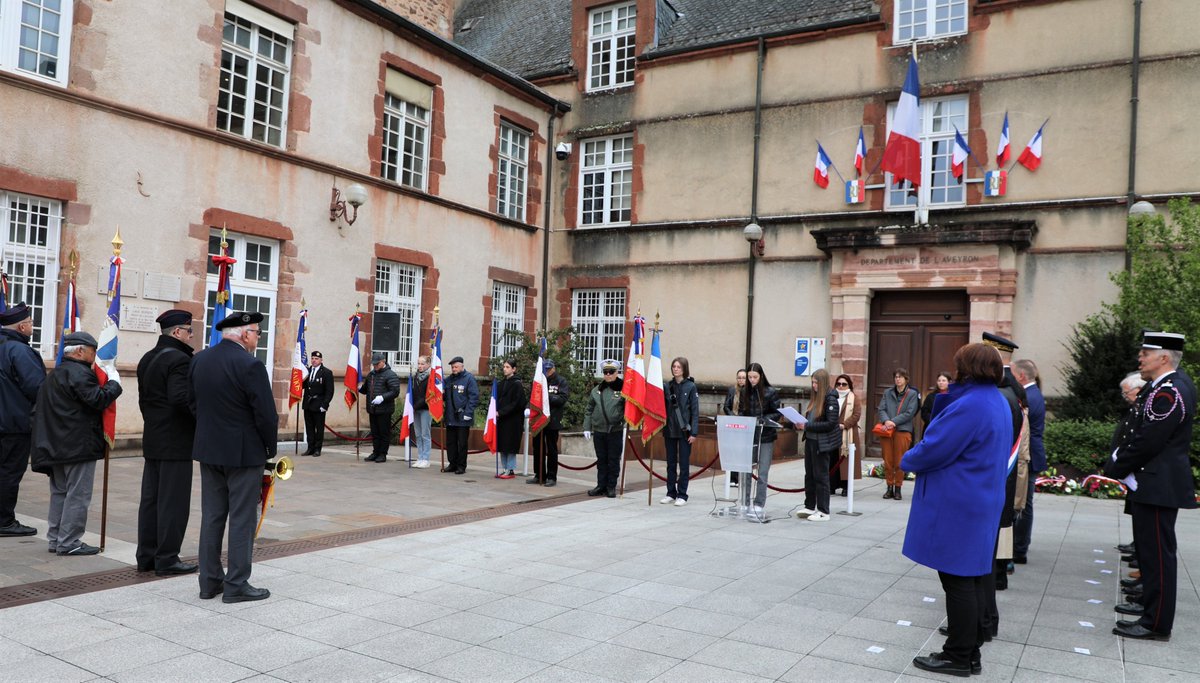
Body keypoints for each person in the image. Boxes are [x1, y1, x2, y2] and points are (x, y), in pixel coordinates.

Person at [903, 343, 1012, 677]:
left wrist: (907, 459)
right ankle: (971, 652)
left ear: (969, 368)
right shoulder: (996, 400)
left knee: (958, 579)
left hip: (959, 502)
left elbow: (936, 447)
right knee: (973, 577)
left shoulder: (972, 404)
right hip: (979, 499)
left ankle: (959, 655)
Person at [1105, 331, 1196, 641]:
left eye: (1146, 352)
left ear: (1164, 357)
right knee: (1150, 553)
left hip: (1159, 484)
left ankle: (1156, 623)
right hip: (1153, 482)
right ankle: (1149, 607)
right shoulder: (1163, 387)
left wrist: (1117, 466)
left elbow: (1149, 439)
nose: (1140, 357)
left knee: (1158, 556)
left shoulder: (1170, 391)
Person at [190, 311, 277, 603]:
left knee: (212, 517)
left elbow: (193, 404)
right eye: (256, 333)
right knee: (242, 519)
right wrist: (270, 448)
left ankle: (209, 581)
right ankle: (237, 583)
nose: (257, 338)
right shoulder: (250, 365)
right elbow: (265, 414)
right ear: (244, 334)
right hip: (242, 453)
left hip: (209, 450)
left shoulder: (200, 359)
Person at [30, 331, 122, 556]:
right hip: (77, 445)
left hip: (56, 445)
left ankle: (56, 538)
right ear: (80, 351)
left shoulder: (56, 373)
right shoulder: (80, 374)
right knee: (77, 495)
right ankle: (69, 541)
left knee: (60, 493)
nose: (95, 355)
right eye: (92, 350)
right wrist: (114, 385)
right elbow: (97, 399)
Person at [135, 309, 198, 575]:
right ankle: (168, 558)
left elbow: (145, 400)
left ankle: (147, 556)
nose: (191, 335)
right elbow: (181, 399)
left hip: (154, 438)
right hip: (176, 441)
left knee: (151, 501)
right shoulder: (179, 360)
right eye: (189, 330)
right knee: (173, 502)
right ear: (177, 333)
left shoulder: (148, 358)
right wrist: (202, 417)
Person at [0, 303, 46, 537]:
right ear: (21, 326)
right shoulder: (19, 351)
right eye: (29, 323)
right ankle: (5, 521)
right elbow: (36, 387)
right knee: (9, 472)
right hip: (13, 424)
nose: (32, 327)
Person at [1011, 359, 1045, 565]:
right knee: (1024, 502)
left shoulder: (1029, 396)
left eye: (1012, 374)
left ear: (1021, 376)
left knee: (1023, 504)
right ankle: (1020, 546)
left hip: (1028, 455)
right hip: (1030, 453)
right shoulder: (1032, 393)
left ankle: (1019, 548)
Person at [795, 368, 840, 522]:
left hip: (822, 443)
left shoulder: (831, 399)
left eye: (816, 382)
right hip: (811, 440)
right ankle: (809, 506)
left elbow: (830, 424)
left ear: (823, 383)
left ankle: (823, 510)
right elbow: (812, 419)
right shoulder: (815, 398)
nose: (813, 385)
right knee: (810, 475)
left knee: (821, 477)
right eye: (812, 382)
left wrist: (806, 426)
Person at [739, 362, 780, 518]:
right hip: (749, 435)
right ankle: (745, 501)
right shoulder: (745, 392)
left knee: (762, 471)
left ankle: (759, 503)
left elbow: (777, 413)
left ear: (761, 376)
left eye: (754, 377)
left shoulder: (770, 392)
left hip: (766, 435)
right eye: (749, 377)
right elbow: (742, 412)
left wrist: (764, 419)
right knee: (747, 470)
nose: (751, 380)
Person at [661, 357, 699, 507]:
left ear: (684, 369)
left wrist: (694, 433)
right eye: (674, 366)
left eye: (678, 367)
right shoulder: (667, 386)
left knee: (683, 464)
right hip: (669, 430)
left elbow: (695, 411)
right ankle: (671, 492)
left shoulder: (690, 386)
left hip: (685, 431)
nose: (675, 369)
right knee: (670, 463)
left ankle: (682, 494)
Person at [584, 359, 625, 498]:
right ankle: (601, 485)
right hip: (599, 430)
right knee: (601, 459)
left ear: (617, 372)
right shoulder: (597, 390)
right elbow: (589, 409)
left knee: (613, 460)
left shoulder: (623, 389)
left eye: (611, 372)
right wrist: (587, 427)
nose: (608, 375)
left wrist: (624, 421)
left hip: (615, 431)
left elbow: (629, 409)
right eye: (605, 372)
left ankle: (611, 486)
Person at [877, 368, 919, 500]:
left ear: (906, 379)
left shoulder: (912, 394)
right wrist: (886, 420)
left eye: (900, 377)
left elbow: (910, 412)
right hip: (887, 431)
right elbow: (881, 408)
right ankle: (889, 486)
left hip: (902, 430)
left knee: (900, 461)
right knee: (888, 460)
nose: (897, 379)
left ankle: (898, 488)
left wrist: (893, 422)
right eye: (896, 377)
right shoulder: (887, 392)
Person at [529, 359, 568, 486]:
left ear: (554, 368)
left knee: (551, 448)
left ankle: (551, 477)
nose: (547, 372)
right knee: (537, 447)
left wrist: (546, 397)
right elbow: (532, 398)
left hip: (552, 419)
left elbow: (562, 398)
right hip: (539, 419)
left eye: (549, 369)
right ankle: (539, 474)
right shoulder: (539, 381)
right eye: (545, 370)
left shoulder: (560, 381)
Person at [360, 353, 400, 463]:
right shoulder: (371, 374)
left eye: (377, 364)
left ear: (383, 362)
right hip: (372, 409)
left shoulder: (390, 374)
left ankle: (382, 453)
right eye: (374, 364)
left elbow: (395, 391)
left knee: (383, 432)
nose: (375, 366)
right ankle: (375, 452)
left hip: (384, 409)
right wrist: (358, 387)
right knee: (375, 432)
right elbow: (365, 389)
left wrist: (382, 397)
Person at [443, 356, 478, 475]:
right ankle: (452, 463)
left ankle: (461, 466)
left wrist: (468, 413)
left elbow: (473, 397)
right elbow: (443, 395)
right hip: (450, 416)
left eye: (456, 366)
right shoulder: (448, 380)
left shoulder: (469, 379)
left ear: (462, 366)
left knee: (462, 443)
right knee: (451, 442)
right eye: (452, 367)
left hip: (463, 417)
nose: (454, 369)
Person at [831, 373, 863, 496]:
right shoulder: (831, 397)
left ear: (849, 385)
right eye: (838, 384)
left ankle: (846, 487)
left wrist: (844, 424)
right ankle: (832, 486)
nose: (841, 386)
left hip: (848, 433)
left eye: (844, 384)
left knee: (845, 460)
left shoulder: (854, 398)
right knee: (833, 460)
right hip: (833, 432)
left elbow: (856, 415)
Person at [495, 358, 525, 479]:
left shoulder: (517, 384)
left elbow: (516, 403)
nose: (505, 369)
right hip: (501, 419)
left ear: (514, 369)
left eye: (508, 367)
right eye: (504, 367)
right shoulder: (501, 383)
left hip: (512, 420)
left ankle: (510, 468)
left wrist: (501, 412)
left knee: (510, 444)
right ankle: (504, 468)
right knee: (502, 444)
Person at [300, 350, 334, 456]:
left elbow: (329, 391)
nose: (314, 360)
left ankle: (317, 449)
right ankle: (310, 448)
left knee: (319, 428)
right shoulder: (307, 371)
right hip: (308, 403)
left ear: (321, 360)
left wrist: (325, 404)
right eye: (313, 358)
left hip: (319, 404)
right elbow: (303, 385)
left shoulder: (326, 372)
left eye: (317, 359)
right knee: (309, 427)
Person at [722, 368, 747, 486]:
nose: (741, 380)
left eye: (743, 378)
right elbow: (726, 406)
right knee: (732, 451)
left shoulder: (749, 392)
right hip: (732, 423)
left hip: (744, 425)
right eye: (739, 377)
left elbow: (748, 409)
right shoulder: (732, 390)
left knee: (741, 451)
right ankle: (732, 477)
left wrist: (740, 417)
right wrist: (732, 416)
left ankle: (740, 477)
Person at [410, 355, 433, 467]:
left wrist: (415, 406)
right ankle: (420, 457)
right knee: (418, 434)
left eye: (422, 364)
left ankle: (426, 459)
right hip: (415, 408)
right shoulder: (415, 377)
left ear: (428, 364)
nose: (420, 366)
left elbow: (428, 396)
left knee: (425, 434)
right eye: (418, 363)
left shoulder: (430, 377)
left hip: (425, 408)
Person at [920, 371, 952, 439]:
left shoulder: (953, 397)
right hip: (932, 428)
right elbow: (924, 412)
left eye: (943, 380)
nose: (941, 383)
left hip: (948, 429)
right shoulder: (931, 396)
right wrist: (933, 421)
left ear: (949, 382)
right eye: (939, 381)